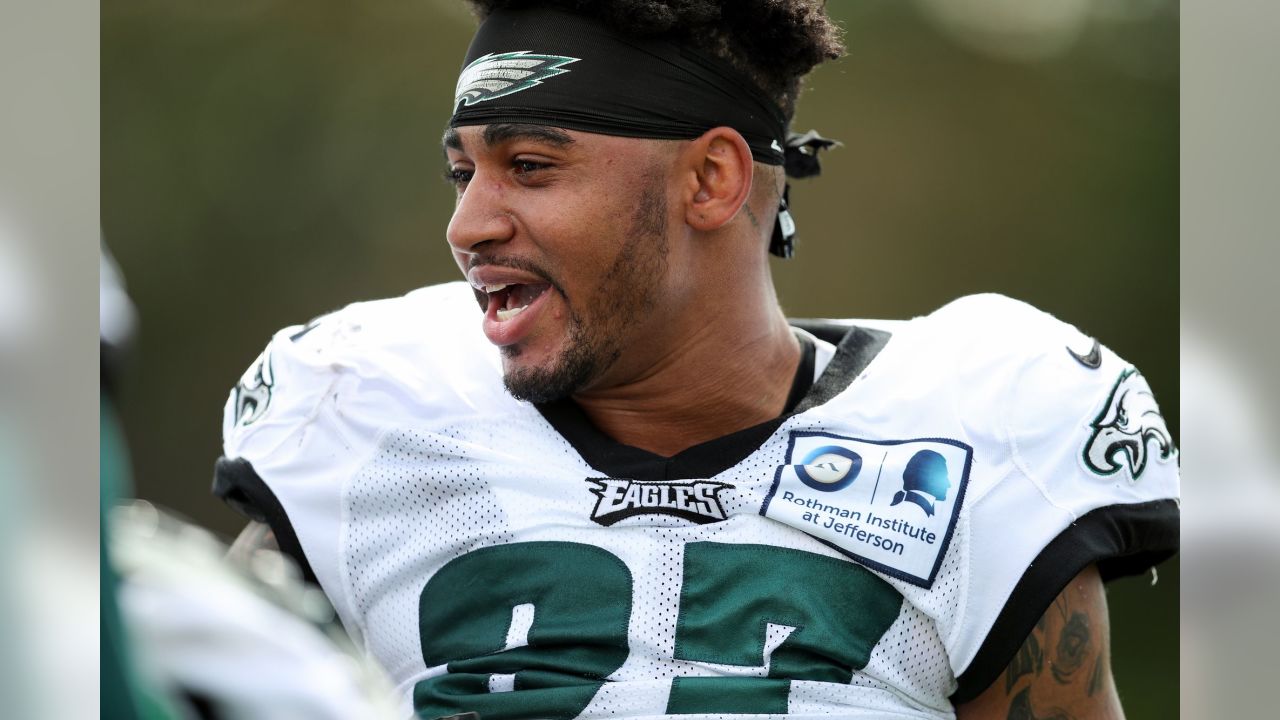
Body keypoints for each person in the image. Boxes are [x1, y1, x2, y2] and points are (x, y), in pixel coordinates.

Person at [213, 2, 1179, 718]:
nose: (469, 225)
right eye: (464, 171)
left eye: (531, 168)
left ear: (712, 178)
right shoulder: (364, 412)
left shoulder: (979, 437)